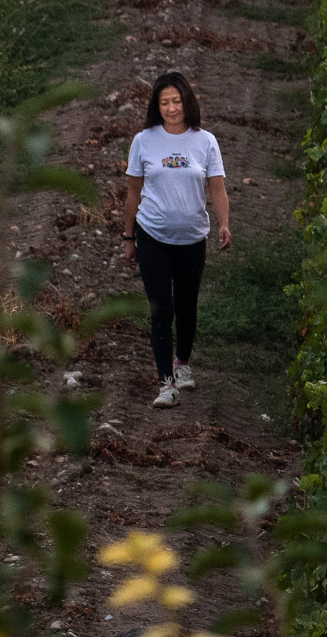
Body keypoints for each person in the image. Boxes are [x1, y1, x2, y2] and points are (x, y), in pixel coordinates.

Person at [120, 71, 230, 408]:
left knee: (186, 305)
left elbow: (217, 187)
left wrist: (224, 223)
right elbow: (133, 194)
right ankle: (165, 383)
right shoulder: (144, 140)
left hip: (193, 238)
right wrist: (129, 237)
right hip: (152, 235)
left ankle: (182, 363)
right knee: (160, 311)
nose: (171, 108)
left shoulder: (205, 141)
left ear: (187, 103)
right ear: (157, 106)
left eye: (177, 101)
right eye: (165, 102)